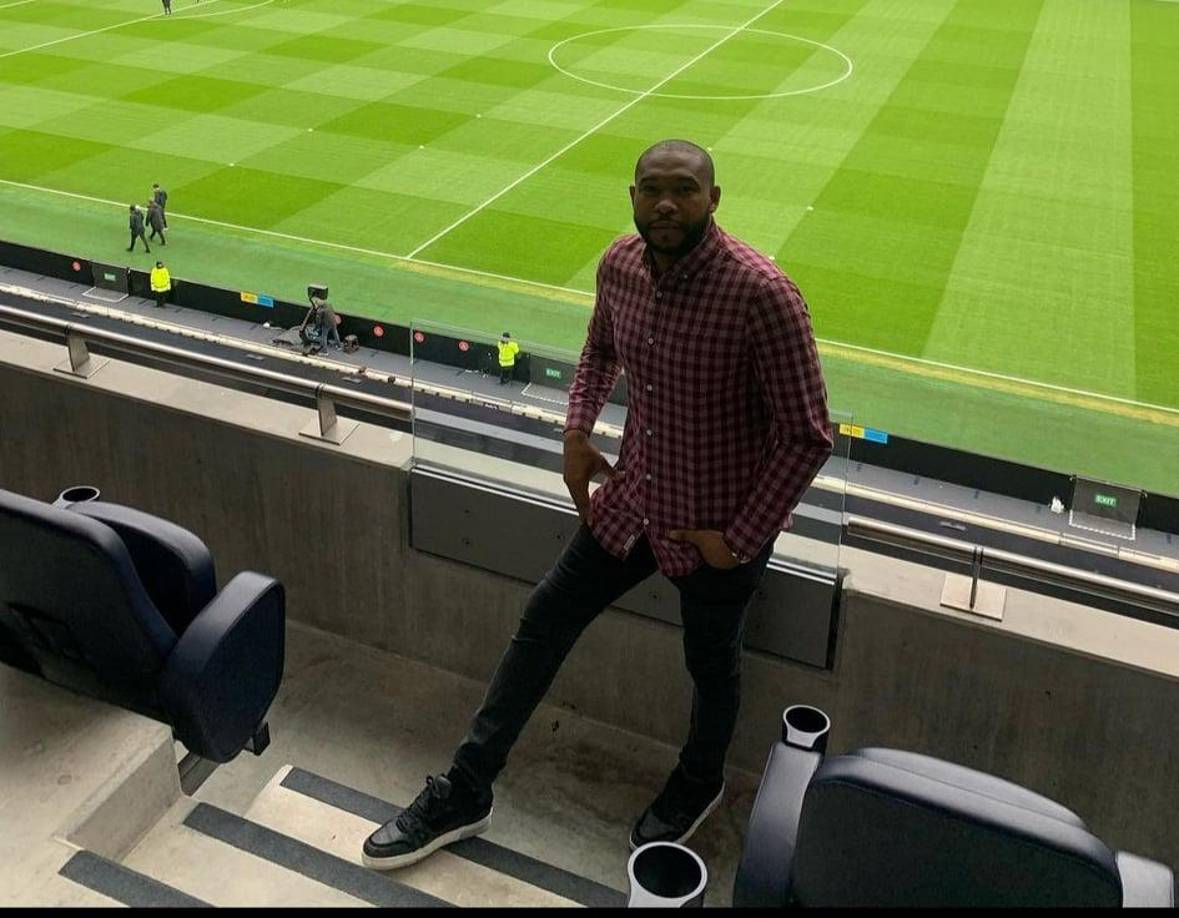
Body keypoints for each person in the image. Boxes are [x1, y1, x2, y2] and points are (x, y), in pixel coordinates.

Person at [360, 139, 833, 871]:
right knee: (543, 619)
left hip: (713, 528)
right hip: (632, 499)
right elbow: (597, 351)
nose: (666, 203)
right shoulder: (619, 264)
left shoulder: (762, 295)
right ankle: (467, 787)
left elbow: (806, 436)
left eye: (683, 189)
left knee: (711, 666)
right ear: (632, 196)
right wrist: (577, 431)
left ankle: (698, 782)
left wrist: (738, 540)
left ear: (714, 198)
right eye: (651, 189)